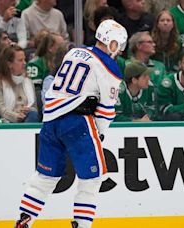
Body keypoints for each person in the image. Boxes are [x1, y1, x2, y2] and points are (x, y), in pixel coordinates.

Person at [14, 19, 127, 228]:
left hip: (50, 121)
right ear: (112, 43)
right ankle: (82, 226)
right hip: (77, 123)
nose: (119, 50)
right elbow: (106, 110)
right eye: (118, 45)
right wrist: (99, 133)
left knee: (45, 178)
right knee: (92, 179)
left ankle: (23, 221)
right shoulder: (109, 66)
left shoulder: (74, 52)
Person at [0, 45, 39, 123]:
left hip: (28, 118)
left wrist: (28, 109)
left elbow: (34, 107)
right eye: (20, 60)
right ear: (9, 64)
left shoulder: (28, 80)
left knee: (33, 114)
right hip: (7, 121)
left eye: (24, 60)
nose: (24, 63)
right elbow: (0, 108)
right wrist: (16, 115)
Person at [26, 32, 65, 119]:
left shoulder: (64, 64)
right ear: (50, 48)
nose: (64, 49)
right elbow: (34, 91)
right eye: (61, 46)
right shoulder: (35, 64)